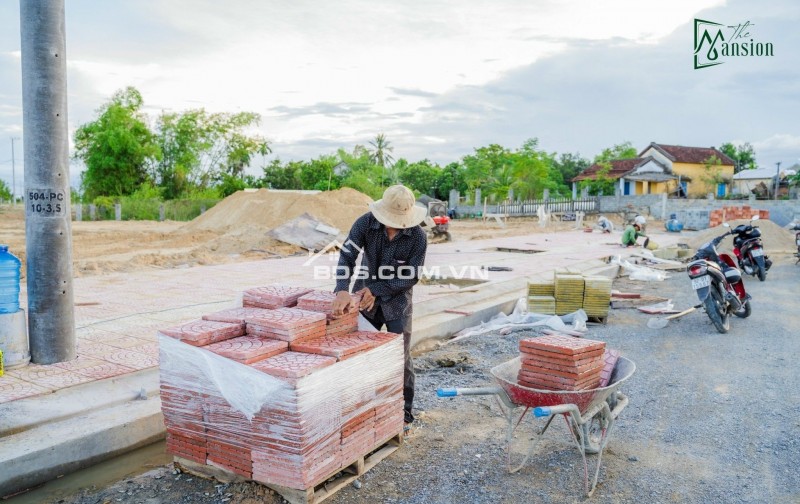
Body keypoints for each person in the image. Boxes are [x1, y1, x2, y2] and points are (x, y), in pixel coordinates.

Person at [331, 185, 428, 429]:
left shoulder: (418, 237)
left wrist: (377, 289)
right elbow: (346, 256)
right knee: (361, 354)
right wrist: (342, 288)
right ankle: (362, 409)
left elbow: (410, 276)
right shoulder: (365, 223)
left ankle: (404, 413)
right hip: (365, 302)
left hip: (397, 303)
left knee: (400, 358)